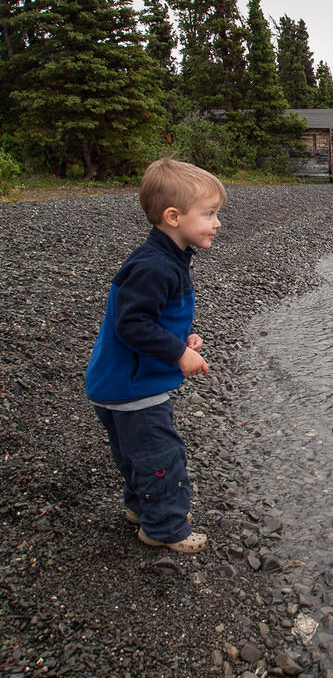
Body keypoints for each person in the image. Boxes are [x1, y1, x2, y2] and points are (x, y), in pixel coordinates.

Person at [84, 158, 226, 553]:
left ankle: (141, 508)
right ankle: (163, 528)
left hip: (116, 382)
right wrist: (179, 353)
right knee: (162, 456)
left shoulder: (168, 258)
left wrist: (183, 338)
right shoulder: (155, 266)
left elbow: (150, 318)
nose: (217, 223)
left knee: (135, 454)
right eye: (210, 214)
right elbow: (131, 325)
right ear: (173, 216)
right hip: (133, 389)